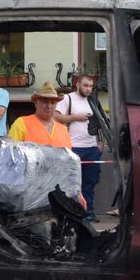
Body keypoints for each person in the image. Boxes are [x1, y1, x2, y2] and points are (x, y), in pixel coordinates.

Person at [56, 75, 102, 220]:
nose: (88, 89)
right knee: (72, 182)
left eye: (90, 86)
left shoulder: (93, 100)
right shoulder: (67, 99)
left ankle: (88, 211)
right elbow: (56, 117)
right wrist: (76, 117)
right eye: (85, 85)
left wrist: (100, 142)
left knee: (90, 181)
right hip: (73, 146)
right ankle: (73, 213)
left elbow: (99, 122)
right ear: (77, 84)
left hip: (91, 146)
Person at [8, 82, 73, 148]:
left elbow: (68, 155)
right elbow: (10, 152)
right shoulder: (21, 123)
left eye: (52, 103)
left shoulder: (63, 130)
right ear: (36, 102)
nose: (49, 106)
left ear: (56, 105)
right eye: (45, 102)